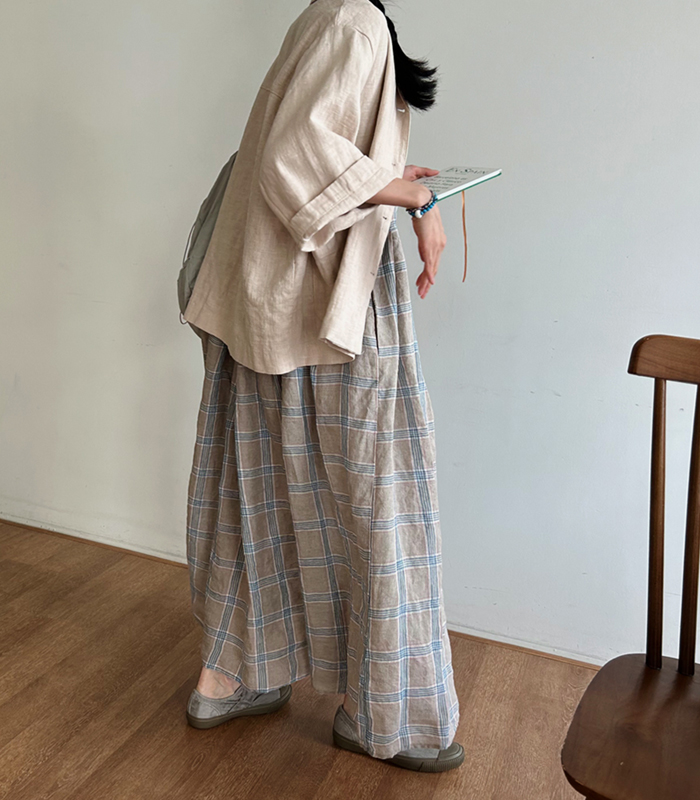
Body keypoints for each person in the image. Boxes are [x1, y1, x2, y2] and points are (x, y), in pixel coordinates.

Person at [183, 0, 463, 773]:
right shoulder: (353, 19)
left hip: (266, 293)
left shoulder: (328, 13)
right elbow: (295, 153)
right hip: (329, 296)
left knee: (257, 485)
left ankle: (228, 677)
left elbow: (304, 145)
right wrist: (417, 199)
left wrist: (389, 179)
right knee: (378, 491)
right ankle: (389, 712)